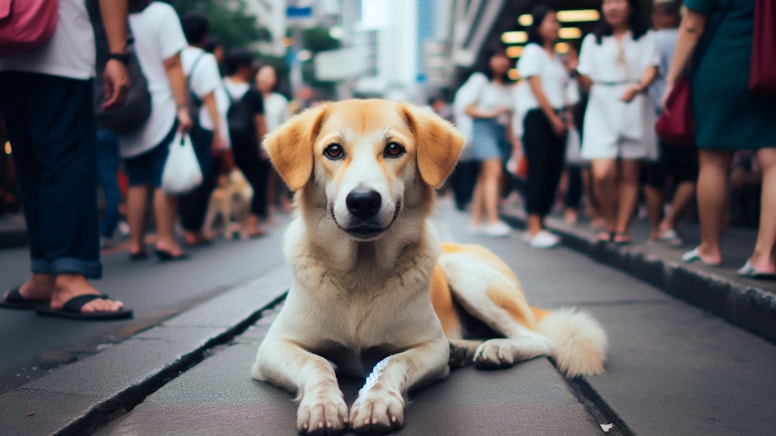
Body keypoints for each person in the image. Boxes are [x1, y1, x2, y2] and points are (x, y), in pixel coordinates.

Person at [0, 0, 132, 319]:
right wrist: (117, 54)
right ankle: (70, 276)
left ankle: (44, 273)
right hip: (61, 52)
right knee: (67, 162)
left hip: (7, 48)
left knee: (30, 166)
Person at [664, 0, 776, 278]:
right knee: (772, 160)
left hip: (722, 65)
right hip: (768, 65)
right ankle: (764, 256)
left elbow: (691, 26)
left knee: (713, 160)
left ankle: (710, 247)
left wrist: (671, 80)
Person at [576, 0, 659, 245]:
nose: (612, 7)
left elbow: (651, 69)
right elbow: (585, 78)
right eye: (607, 2)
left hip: (635, 101)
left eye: (618, 2)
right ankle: (609, 220)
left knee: (629, 173)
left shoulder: (646, 38)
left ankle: (621, 227)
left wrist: (639, 88)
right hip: (601, 103)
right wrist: (579, 75)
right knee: (601, 173)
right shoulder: (592, 41)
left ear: (631, 7)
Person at [120, 0, 193, 261]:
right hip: (161, 104)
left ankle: (136, 242)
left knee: (137, 179)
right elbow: (173, 64)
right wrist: (183, 106)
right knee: (164, 178)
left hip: (128, 107)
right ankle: (165, 239)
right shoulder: (162, 13)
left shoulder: (117, 16)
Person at [516, 5, 576, 248]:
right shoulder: (532, 52)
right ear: (539, 27)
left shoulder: (557, 58)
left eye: (556, 21)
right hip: (539, 117)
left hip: (557, 117)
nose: (555, 25)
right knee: (539, 170)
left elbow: (565, 91)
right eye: (550, 21)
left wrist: (565, 116)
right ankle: (533, 227)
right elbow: (536, 87)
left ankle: (541, 223)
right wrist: (552, 117)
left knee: (553, 171)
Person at [643, 0, 698, 246]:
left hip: (656, 117)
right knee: (689, 174)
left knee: (655, 177)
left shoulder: (650, 41)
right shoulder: (690, 37)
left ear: (658, 15)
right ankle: (670, 221)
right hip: (684, 116)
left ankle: (656, 227)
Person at [177, 12, 226, 246]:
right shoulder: (205, 60)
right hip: (202, 127)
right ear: (204, 36)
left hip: (176, 123)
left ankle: (181, 227)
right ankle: (192, 230)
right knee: (200, 179)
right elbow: (211, 101)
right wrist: (218, 134)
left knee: (176, 173)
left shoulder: (173, 56)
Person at [460, 48, 516, 237]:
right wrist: (492, 113)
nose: (503, 61)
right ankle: (493, 220)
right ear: (489, 59)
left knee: (485, 176)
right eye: (498, 56)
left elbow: (509, 115)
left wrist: (512, 138)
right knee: (494, 173)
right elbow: (467, 108)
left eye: (505, 58)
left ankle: (476, 220)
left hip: (501, 131)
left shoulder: (507, 85)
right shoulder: (480, 80)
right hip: (484, 128)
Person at [223, 49, 268, 238]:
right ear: (243, 68)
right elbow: (259, 122)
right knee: (257, 181)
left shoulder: (220, 87)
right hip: (249, 144)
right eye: (251, 67)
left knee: (228, 183)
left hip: (226, 144)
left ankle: (232, 223)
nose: (253, 70)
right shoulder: (253, 94)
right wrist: (264, 145)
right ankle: (251, 224)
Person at [256, 64, 293, 216]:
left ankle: (272, 204)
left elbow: (288, 124)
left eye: (268, 75)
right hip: (253, 144)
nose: (264, 79)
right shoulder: (250, 96)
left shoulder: (279, 101)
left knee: (274, 177)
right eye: (262, 74)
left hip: (273, 145)